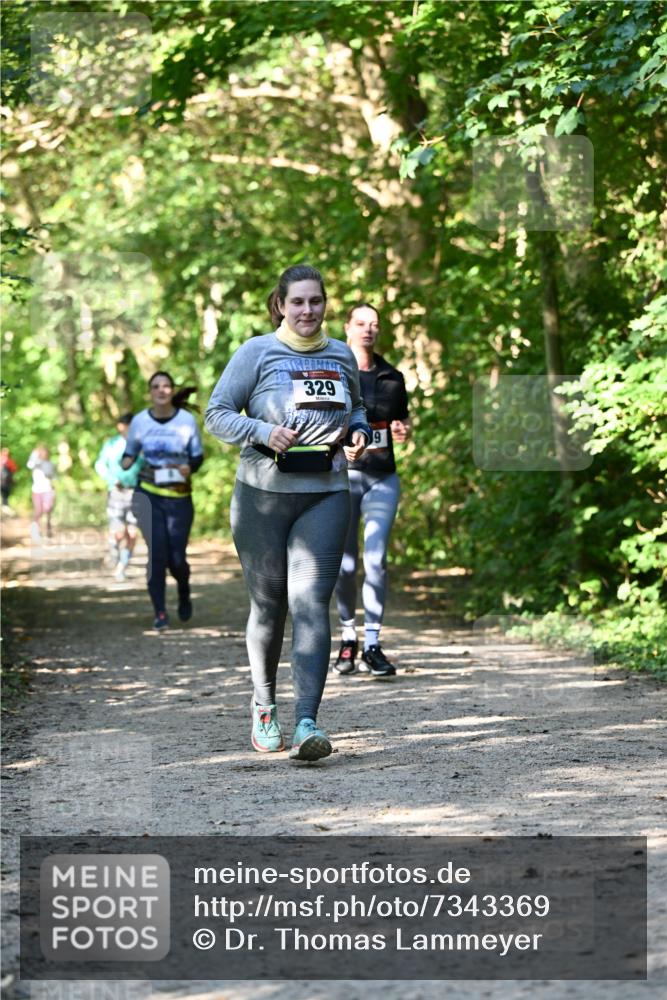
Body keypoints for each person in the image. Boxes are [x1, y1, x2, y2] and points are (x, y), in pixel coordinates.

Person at [205, 264, 371, 762]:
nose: (307, 310)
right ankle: (264, 705)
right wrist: (262, 431)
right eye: (297, 301)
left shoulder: (341, 354)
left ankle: (306, 723)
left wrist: (359, 432)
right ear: (280, 304)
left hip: (326, 491)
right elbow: (216, 413)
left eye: (315, 301)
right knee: (269, 604)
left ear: (325, 305)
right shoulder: (256, 352)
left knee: (311, 603)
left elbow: (357, 407)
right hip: (262, 495)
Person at [332, 303, 411, 678]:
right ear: (347, 327)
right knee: (345, 565)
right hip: (342, 477)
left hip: (382, 477)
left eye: (374, 324)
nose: (368, 329)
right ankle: (348, 637)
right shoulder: (333, 372)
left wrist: (403, 429)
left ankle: (373, 645)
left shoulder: (393, 377)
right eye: (361, 323)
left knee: (376, 560)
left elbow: (402, 420)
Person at [120, 373, 204, 631]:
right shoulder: (140, 421)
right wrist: (126, 462)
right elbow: (129, 453)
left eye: (166, 386)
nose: (161, 390)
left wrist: (189, 468)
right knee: (157, 553)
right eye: (156, 386)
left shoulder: (186, 420)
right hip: (148, 495)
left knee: (176, 558)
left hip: (179, 497)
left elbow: (197, 457)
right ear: (150, 392)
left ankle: (183, 589)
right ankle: (160, 613)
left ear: (172, 390)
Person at [94, 414, 143, 581]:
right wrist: (111, 479)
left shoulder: (142, 445)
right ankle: (114, 550)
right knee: (119, 532)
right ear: (119, 427)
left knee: (132, 533)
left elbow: (150, 466)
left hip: (137, 493)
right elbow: (100, 464)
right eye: (125, 426)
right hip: (116, 492)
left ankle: (122, 567)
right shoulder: (111, 444)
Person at [27, 444, 56, 540]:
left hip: (48, 489)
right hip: (37, 490)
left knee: (48, 509)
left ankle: (48, 529)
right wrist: (35, 453)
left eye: (45, 452)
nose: (44, 454)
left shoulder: (50, 464)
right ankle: (35, 530)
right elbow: (29, 465)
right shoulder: (36, 464)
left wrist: (54, 487)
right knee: (38, 511)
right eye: (42, 452)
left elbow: (54, 476)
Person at [1, 447, 18, 513]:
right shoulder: (5, 460)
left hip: (6, 481)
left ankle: (5, 506)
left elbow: (14, 469)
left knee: (5, 494)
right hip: (3, 481)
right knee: (4, 494)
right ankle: (4, 506)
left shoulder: (9, 461)